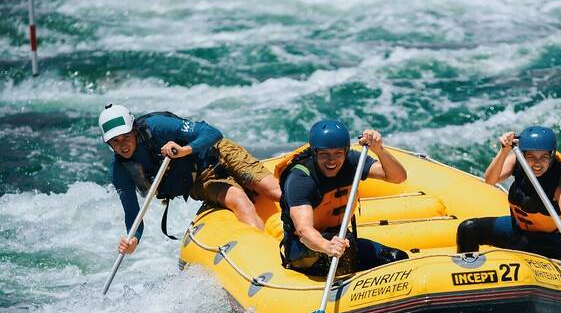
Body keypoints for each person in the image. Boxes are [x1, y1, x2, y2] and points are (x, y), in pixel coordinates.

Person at [99, 104, 281, 255]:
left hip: (220, 151)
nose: (123, 145)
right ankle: (267, 255)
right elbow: (133, 214)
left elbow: (212, 133)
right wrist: (134, 240)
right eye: (115, 141)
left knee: (274, 192)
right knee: (239, 200)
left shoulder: (158, 126)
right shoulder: (120, 171)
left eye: (126, 137)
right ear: (109, 144)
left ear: (135, 130)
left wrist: (183, 150)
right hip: (200, 181)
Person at [278, 119, 409, 276]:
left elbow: (398, 177)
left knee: (397, 258)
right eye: (325, 154)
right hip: (304, 249)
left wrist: (379, 150)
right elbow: (303, 230)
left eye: (337, 153)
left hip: (343, 242)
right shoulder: (301, 178)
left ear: (345, 151)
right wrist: (327, 246)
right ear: (315, 153)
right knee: (346, 253)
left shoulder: (353, 161)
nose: (332, 160)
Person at [456, 126, 561, 261]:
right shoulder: (516, 161)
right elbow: (490, 180)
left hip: (553, 241)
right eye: (531, 157)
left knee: (523, 244)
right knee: (468, 229)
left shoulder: (559, 182)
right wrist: (504, 150)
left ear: (552, 156)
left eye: (544, 157)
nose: (537, 163)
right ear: (523, 155)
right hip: (520, 230)